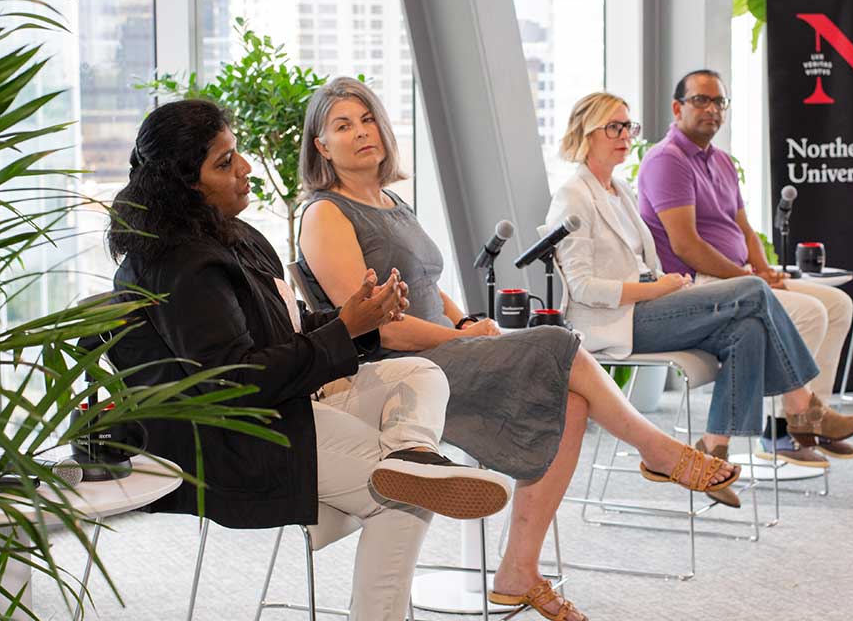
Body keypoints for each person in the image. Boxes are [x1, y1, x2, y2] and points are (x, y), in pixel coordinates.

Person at [297, 77, 740, 621]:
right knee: (558, 342)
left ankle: (517, 573)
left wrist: (467, 320)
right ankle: (659, 452)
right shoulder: (324, 214)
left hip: (446, 348)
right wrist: (462, 337)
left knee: (571, 398)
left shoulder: (392, 201)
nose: (362, 132)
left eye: (367, 119)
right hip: (400, 373)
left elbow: (426, 284)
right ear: (321, 146)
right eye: (343, 126)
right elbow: (375, 329)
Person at [104, 99, 512, 621]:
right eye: (224, 163)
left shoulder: (233, 237)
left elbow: (284, 328)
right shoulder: (183, 266)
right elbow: (238, 383)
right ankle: (406, 481)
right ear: (185, 185)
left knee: (417, 372)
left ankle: (413, 455)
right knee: (403, 497)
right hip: (238, 437)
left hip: (287, 401)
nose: (245, 169)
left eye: (237, 154)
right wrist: (347, 330)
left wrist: (356, 319)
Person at [546, 91, 853, 505]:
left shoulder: (619, 190)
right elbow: (583, 288)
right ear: (586, 132)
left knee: (749, 329)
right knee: (753, 290)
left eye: (629, 127)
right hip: (616, 321)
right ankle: (803, 408)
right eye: (614, 127)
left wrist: (666, 283)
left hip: (652, 305)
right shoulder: (573, 195)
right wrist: (656, 289)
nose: (625, 135)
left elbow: (641, 262)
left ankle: (713, 453)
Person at [637, 69, 853, 468]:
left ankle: (810, 423)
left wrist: (763, 268)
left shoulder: (721, 160)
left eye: (719, 102)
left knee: (838, 303)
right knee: (809, 312)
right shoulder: (666, 161)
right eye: (701, 100)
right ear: (677, 108)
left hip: (738, 276)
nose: (712, 110)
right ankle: (784, 431)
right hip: (701, 285)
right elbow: (686, 246)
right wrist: (748, 280)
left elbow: (742, 227)